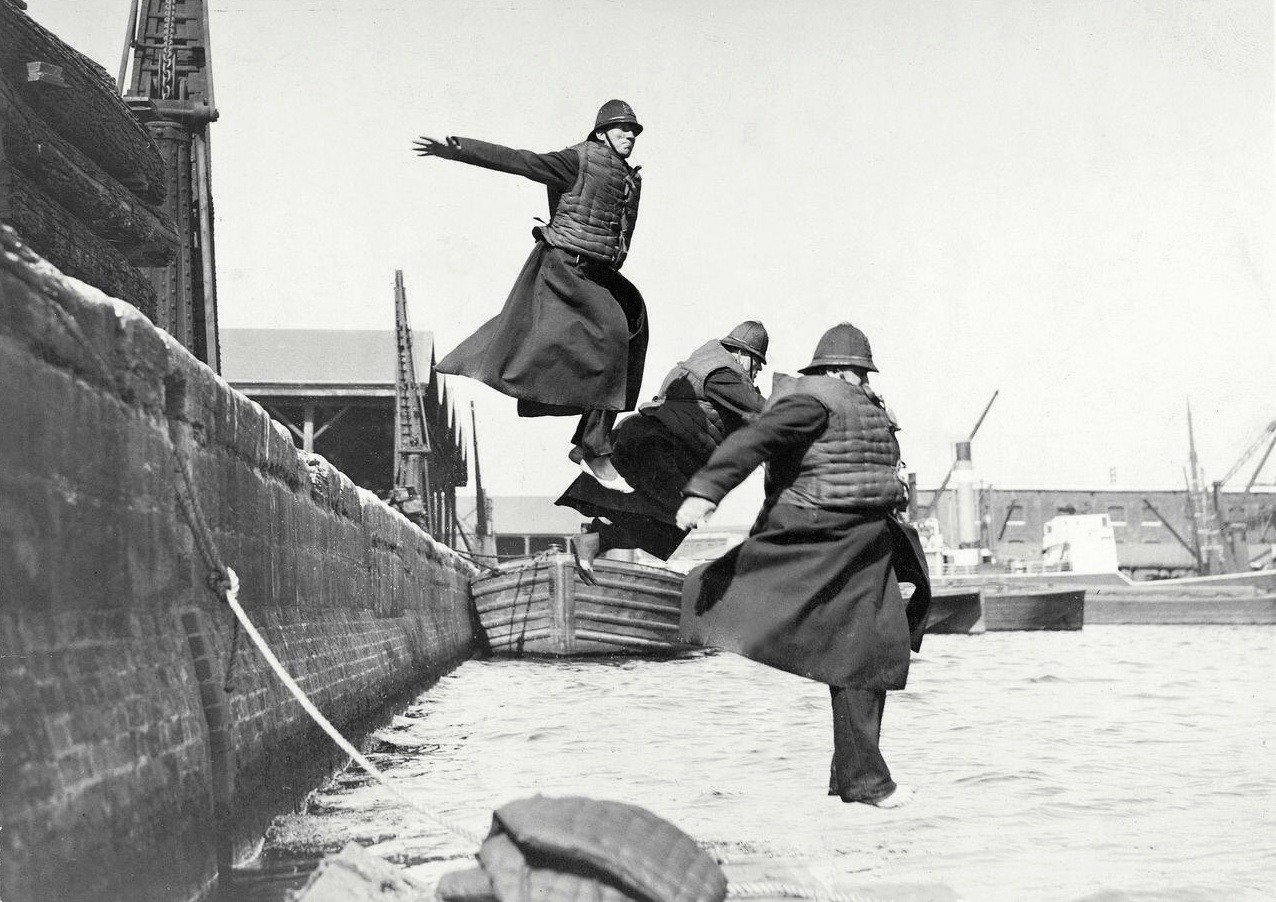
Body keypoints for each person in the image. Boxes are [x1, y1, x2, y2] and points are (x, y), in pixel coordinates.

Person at [676, 322, 932, 808]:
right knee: (717, 596)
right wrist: (705, 492)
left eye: (865, 374)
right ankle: (666, 612)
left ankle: (860, 781)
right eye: (857, 373)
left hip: (865, 537)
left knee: (875, 650)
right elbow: (755, 441)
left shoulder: (864, 407)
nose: (864, 382)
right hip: (814, 530)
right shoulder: (812, 399)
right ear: (836, 370)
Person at [413, 100, 647, 492]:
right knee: (611, 333)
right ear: (602, 132)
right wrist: (456, 147)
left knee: (635, 325)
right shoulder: (577, 160)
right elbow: (519, 161)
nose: (630, 137)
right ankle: (595, 448)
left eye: (634, 132)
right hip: (566, 267)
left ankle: (589, 441)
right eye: (623, 129)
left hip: (597, 271)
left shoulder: (629, 178)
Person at [555, 321, 770, 578]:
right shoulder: (722, 375)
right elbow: (765, 411)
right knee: (680, 513)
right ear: (741, 353)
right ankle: (594, 458)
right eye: (757, 362)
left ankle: (594, 540)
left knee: (664, 521)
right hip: (655, 446)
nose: (757, 370)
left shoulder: (706, 366)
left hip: (648, 444)